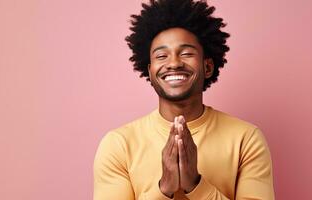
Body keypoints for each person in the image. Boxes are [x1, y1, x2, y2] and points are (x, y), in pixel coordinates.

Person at [93, 0, 275, 199]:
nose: (174, 63)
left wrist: (195, 185)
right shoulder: (118, 145)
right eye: (161, 56)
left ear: (207, 67)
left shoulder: (246, 139)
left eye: (187, 53)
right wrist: (164, 188)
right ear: (150, 71)